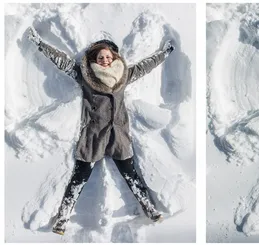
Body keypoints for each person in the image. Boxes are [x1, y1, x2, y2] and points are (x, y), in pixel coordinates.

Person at [26, 26, 175, 235]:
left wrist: (164, 53)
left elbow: (144, 66)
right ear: (94, 60)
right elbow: (62, 62)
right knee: (80, 175)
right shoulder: (85, 76)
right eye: (100, 57)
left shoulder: (124, 75)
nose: (104, 59)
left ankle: (149, 208)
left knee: (130, 173)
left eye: (107, 56)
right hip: (94, 135)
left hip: (118, 135)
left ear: (113, 57)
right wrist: (40, 44)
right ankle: (63, 217)